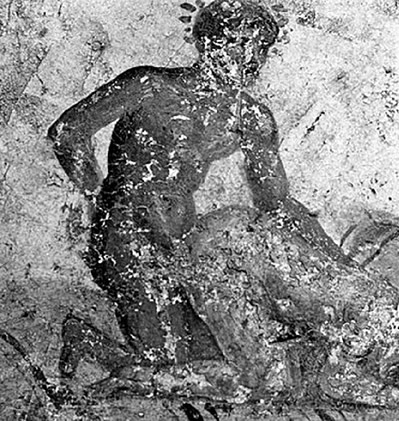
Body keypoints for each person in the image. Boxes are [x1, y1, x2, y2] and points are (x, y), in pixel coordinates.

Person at [47, 0, 344, 380]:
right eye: (239, 43)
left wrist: (338, 262)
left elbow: (278, 202)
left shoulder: (251, 118)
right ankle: (83, 337)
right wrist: (100, 199)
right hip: (128, 232)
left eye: (261, 47)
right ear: (207, 42)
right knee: (163, 365)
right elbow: (67, 133)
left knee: (216, 362)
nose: (251, 58)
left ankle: (98, 341)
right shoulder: (150, 86)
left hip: (185, 244)